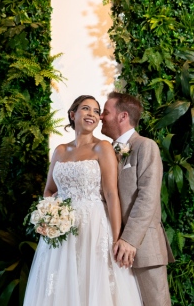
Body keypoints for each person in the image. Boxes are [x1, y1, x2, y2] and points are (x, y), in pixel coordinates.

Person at [23, 95, 142, 305]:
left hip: (94, 228)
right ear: (73, 114)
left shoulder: (103, 147)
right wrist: (51, 216)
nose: (92, 114)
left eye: (96, 111)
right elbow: (49, 190)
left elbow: (111, 195)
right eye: (86, 109)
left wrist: (116, 239)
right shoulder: (60, 151)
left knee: (93, 284)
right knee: (61, 286)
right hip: (63, 231)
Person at [100, 91, 175, 306]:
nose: (101, 117)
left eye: (106, 112)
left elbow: (148, 197)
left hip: (143, 247)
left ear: (122, 116)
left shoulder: (145, 146)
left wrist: (130, 240)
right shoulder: (104, 152)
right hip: (112, 248)